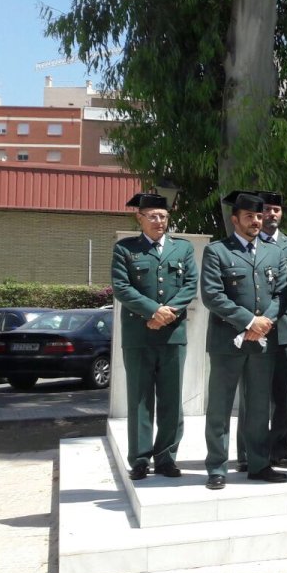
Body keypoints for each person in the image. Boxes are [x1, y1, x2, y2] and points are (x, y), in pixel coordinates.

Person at [201, 192, 287, 490]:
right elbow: (212, 295)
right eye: (250, 217)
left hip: (262, 341)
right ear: (235, 219)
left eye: (259, 217)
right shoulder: (217, 252)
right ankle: (216, 467)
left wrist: (264, 323)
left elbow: (281, 294)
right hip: (228, 342)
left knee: (259, 406)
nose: (256, 222)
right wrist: (249, 321)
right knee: (220, 407)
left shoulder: (273, 252)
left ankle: (259, 463)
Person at [111, 192, 198, 480]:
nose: (159, 221)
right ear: (140, 218)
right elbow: (122, 288)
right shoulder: (125, 249)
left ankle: (166, 458)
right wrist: (152, 312)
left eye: (163, 216)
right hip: (139, 337)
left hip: (173, 335)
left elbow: (189, 286)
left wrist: (167, 313)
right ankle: (139, 459)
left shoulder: (182, 249)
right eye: (152, 216)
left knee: (172, 400)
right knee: (140, 400)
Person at [237, 190, 287, 470]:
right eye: (267, 210)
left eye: (277, 209)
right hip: (249, 330)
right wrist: (253, 322)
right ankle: (246, 452)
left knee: (281, 395)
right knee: (251, 394)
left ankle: (280, 451)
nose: (272, 214)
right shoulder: (243, 244)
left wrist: (269, 320)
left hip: (282, 328)